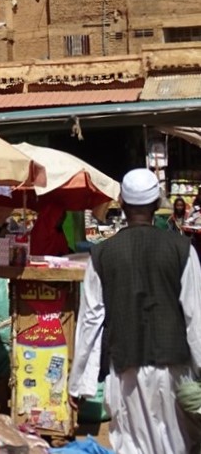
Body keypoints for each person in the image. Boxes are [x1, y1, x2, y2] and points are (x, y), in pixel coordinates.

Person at [68, 168, 201, 453]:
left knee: (130, 443)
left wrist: (78, 382)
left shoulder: (101, 255)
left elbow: (91, 319)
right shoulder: (183, 249)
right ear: (157, 205)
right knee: (175, 442)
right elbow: (195, 316)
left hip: (124, 366)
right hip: (174, 366)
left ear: (122, 204)